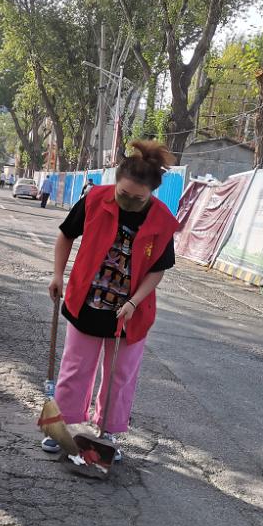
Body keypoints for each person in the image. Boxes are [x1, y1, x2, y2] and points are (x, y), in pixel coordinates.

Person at [43, 140, 178, 462]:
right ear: (115, 183)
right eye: (123, 194)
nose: (129, 202)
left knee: (120, 374)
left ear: (152, 194)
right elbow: (65, 235)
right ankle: (61, 428)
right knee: (75, 368)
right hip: (86, 303)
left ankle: (108, 432)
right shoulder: (94, 200)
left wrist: (134, 302)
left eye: (138, 199)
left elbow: (157, 270)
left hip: (131, 313)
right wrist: (58, 275)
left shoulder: (161, 220)